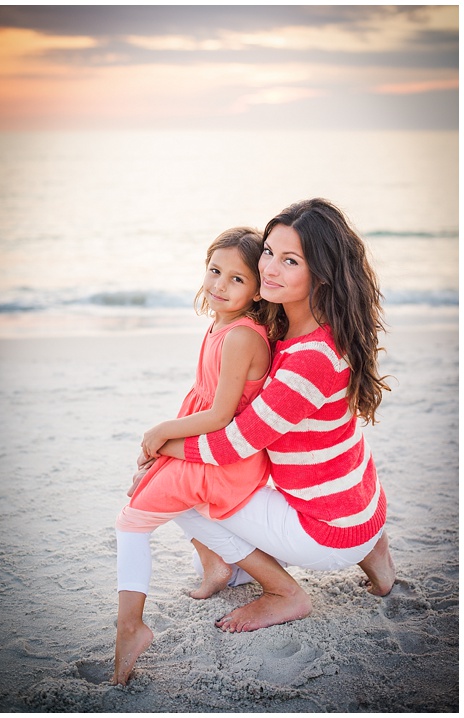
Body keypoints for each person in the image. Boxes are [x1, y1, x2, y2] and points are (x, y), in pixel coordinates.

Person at [156, 198, 395, 646]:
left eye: (290, 261)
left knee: (173, 488)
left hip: (327, 534)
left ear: (320, 274)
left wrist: (160, 444)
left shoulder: (308, 361)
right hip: (363, 509)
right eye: (269, 251)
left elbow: (232, 446)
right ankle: (376, 557)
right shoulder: (320, 327)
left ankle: (284, 592)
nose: (268, 268)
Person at [112, 227, 272, 686]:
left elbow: (221, 415)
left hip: (225, 460)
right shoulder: (220, 324)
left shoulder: (242, 337)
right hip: (207, 449)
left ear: (258, 289)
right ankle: (217, 564)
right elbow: (203, 400)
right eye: (215, 270)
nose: (219, 284)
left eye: (237, 279)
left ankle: (131, 627)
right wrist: (165, 447)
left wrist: (163, 432)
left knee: (131, 520)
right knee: (147, 483)